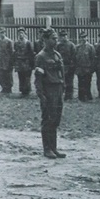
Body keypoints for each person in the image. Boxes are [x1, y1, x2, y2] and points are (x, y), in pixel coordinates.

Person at [33, 28, 65, 159]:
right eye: (53, 38)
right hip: (48, 90)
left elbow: (61, 73)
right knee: (48, 120)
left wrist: (63, 89)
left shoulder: (57, 54)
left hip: (58, 90)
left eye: (56, 38)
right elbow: (38, 79)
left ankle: (54, 148)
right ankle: (47, 149)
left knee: (56, 119)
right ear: (45, 40)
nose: (56, 41)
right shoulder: (41, 57)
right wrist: (41, 95)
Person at [13, 29, 35, 97]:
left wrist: (32, 64)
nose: (21, 34)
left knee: (27, 76)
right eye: (19, 33)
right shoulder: (16, 43)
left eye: (22, 33)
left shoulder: (28, 42)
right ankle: (22, 90)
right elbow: (15, 52)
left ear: (25, 34)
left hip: (26, 62)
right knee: (21, 76)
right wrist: (15, 62)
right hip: (19, 62)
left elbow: (31, 53)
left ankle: (27, 90)